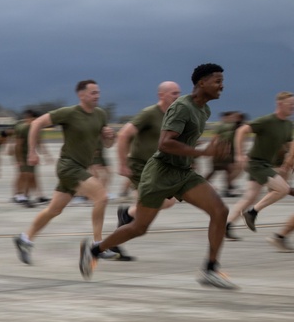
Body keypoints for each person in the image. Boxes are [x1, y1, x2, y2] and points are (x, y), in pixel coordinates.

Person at [78, 63, 239, 290]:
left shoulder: (204, 110)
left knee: (220, 211)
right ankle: (95, 249)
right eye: (217, 81)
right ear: (202, 83)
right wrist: (203, 152)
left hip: (183, 173)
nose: (222, 86)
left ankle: (210, 269)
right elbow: (165, 144)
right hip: (160, 174)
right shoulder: (182, 107)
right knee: (139, 228)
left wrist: (198, 150)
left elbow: (184, 140)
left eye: (222, 81)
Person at [13, 80, 116, 265]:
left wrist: (110, 137)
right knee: (101, 196)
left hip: (80, 168)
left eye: (98, 92)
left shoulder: (100, 114)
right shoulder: (69, 113)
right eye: (93, 93)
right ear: (81, 95)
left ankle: (24, 239)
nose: (97, 96)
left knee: (54, 209)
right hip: (68, 166)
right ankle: (98, 246)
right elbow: (36, 123)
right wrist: (31, 151)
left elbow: (107, 144)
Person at [115, 81, 182, 233]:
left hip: (159, 168)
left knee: (169, 201)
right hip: (141, 167)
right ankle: (115, 239)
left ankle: (127, 215)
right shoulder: (149, 113)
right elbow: (123, 135)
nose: (178, 96)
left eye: (179, 93)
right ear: (161, 95)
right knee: (149, 206)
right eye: (174, 93)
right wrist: (122, 163)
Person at [224, 92, 294, 239]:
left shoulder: (288, 125)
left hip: (265, 164)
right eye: (290, 104)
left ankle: (227, 226)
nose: (292, 107)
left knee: (249, 197)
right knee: (283, 189)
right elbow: (241, 130)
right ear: (280, 104)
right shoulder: (267, 120)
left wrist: (289, 159)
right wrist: (239, 154)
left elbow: (290, 143)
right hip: (256, 163)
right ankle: (252, 213)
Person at [12, 110, 48, 207]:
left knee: (31, 176)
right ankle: (19, 195)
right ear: (30, 118)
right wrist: (19, 160)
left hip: (31, 154)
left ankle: (26, 196)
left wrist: (45, 153)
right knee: (24, 175)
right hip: (22, 154)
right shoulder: (23, 128)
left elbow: (38, 139)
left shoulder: (36, 128)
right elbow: (17, 145)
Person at [205, 111, 243, 197]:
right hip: (221, 151)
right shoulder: (223, 126)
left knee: (221, 170)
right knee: (221, 170)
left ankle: (228, 188)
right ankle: (227, 188)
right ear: (225, 118)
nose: (232, 119)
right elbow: (214, 138)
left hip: (225, 152)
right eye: (230, 117)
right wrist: (211, 149)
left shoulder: (226, 126)